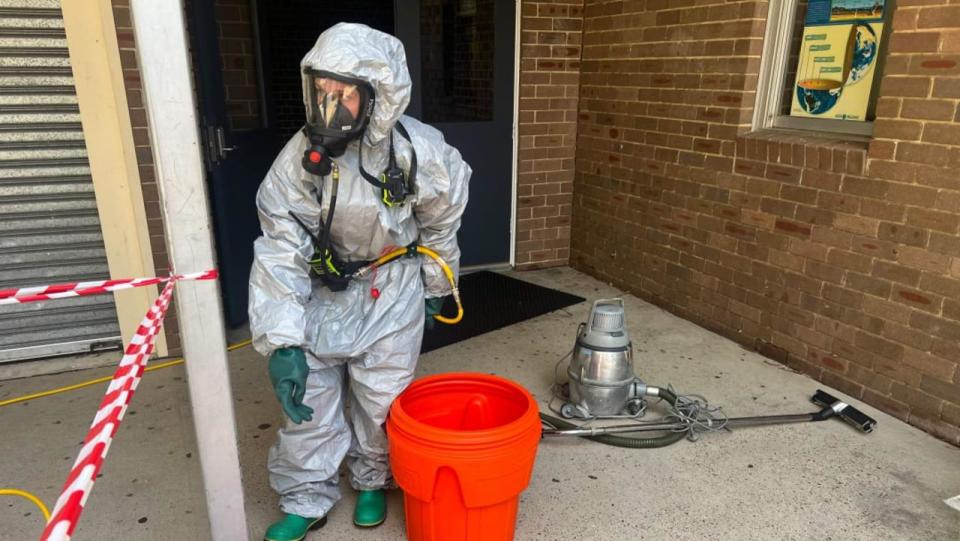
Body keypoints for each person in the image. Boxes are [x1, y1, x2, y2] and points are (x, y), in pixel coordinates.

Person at [248, 23, 470, 541]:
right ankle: (306, 497)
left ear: (379, 96)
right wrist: (282, 338)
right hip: (320, 290)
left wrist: (439, 287)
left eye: (344, 94)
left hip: (390, 289)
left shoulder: (419, 152)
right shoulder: (297, 165)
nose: (330, 107)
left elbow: (441, 225)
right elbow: (280, 246)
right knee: (308, 402)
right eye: (321, 92)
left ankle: (372, 479)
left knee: (382, 399)